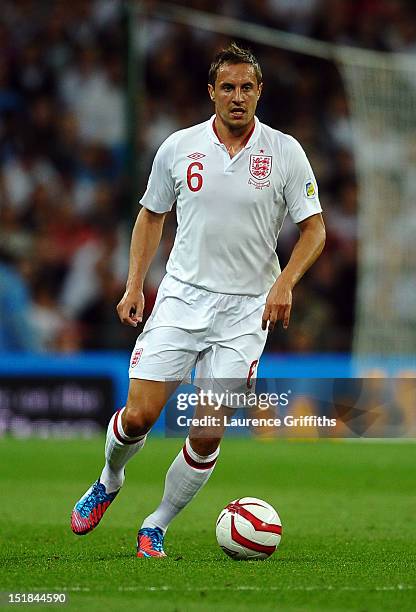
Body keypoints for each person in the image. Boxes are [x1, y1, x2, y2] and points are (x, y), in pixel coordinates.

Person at [70, 43, 326, 557]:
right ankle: (109, 479)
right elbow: (150, 216)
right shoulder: (178, 147)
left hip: (246, 311)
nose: (237, 97)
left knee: (208, 431)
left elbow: (314, 229)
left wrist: (285, 283)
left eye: (247, 87)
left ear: (259, 92)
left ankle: (156, 525)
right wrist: (133, 284)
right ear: (211, 92)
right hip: (182, 300)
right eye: (227, 87)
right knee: (139, 417)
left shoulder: (284, 152)